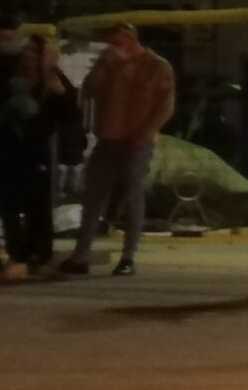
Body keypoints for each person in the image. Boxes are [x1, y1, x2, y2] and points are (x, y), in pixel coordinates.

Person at [59, 22, 174, 277]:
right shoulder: (108, 65)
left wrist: (145, 133)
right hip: (108, 139)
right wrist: (102, 66)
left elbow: (165, 105)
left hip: (138, 141)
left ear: (132, 38)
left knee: (133, 196)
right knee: (93, 196)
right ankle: (81, 256)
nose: (114, 46)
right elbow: (88, 91)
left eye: (118, 40)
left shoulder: (157, 66)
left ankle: (128, 257)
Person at [0, 15, 79, 281]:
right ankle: (19, 256)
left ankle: (41, 257)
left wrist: (60, 94)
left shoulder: (52, 80)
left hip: (37, 149)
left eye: (35, 53)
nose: (30, 57)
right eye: (27, 52)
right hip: (9, 148)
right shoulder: (9, 77)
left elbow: (69, 113)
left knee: (39, 205)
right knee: (10, 205)